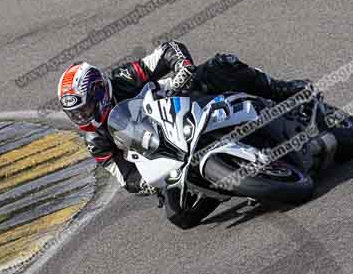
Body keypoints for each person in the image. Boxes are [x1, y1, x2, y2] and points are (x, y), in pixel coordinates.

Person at [57, 40, 312, 194]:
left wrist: (183, 69)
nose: (83, 117)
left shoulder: (124, 79)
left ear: (99, 92)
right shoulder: (95, 141)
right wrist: (143, 184)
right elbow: (125, 176)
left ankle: (278, 90)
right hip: (163, 158)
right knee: (179, 217)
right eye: (75, 113)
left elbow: (169, 50)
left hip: (183, 107)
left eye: (85, 108)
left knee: (222, 65)